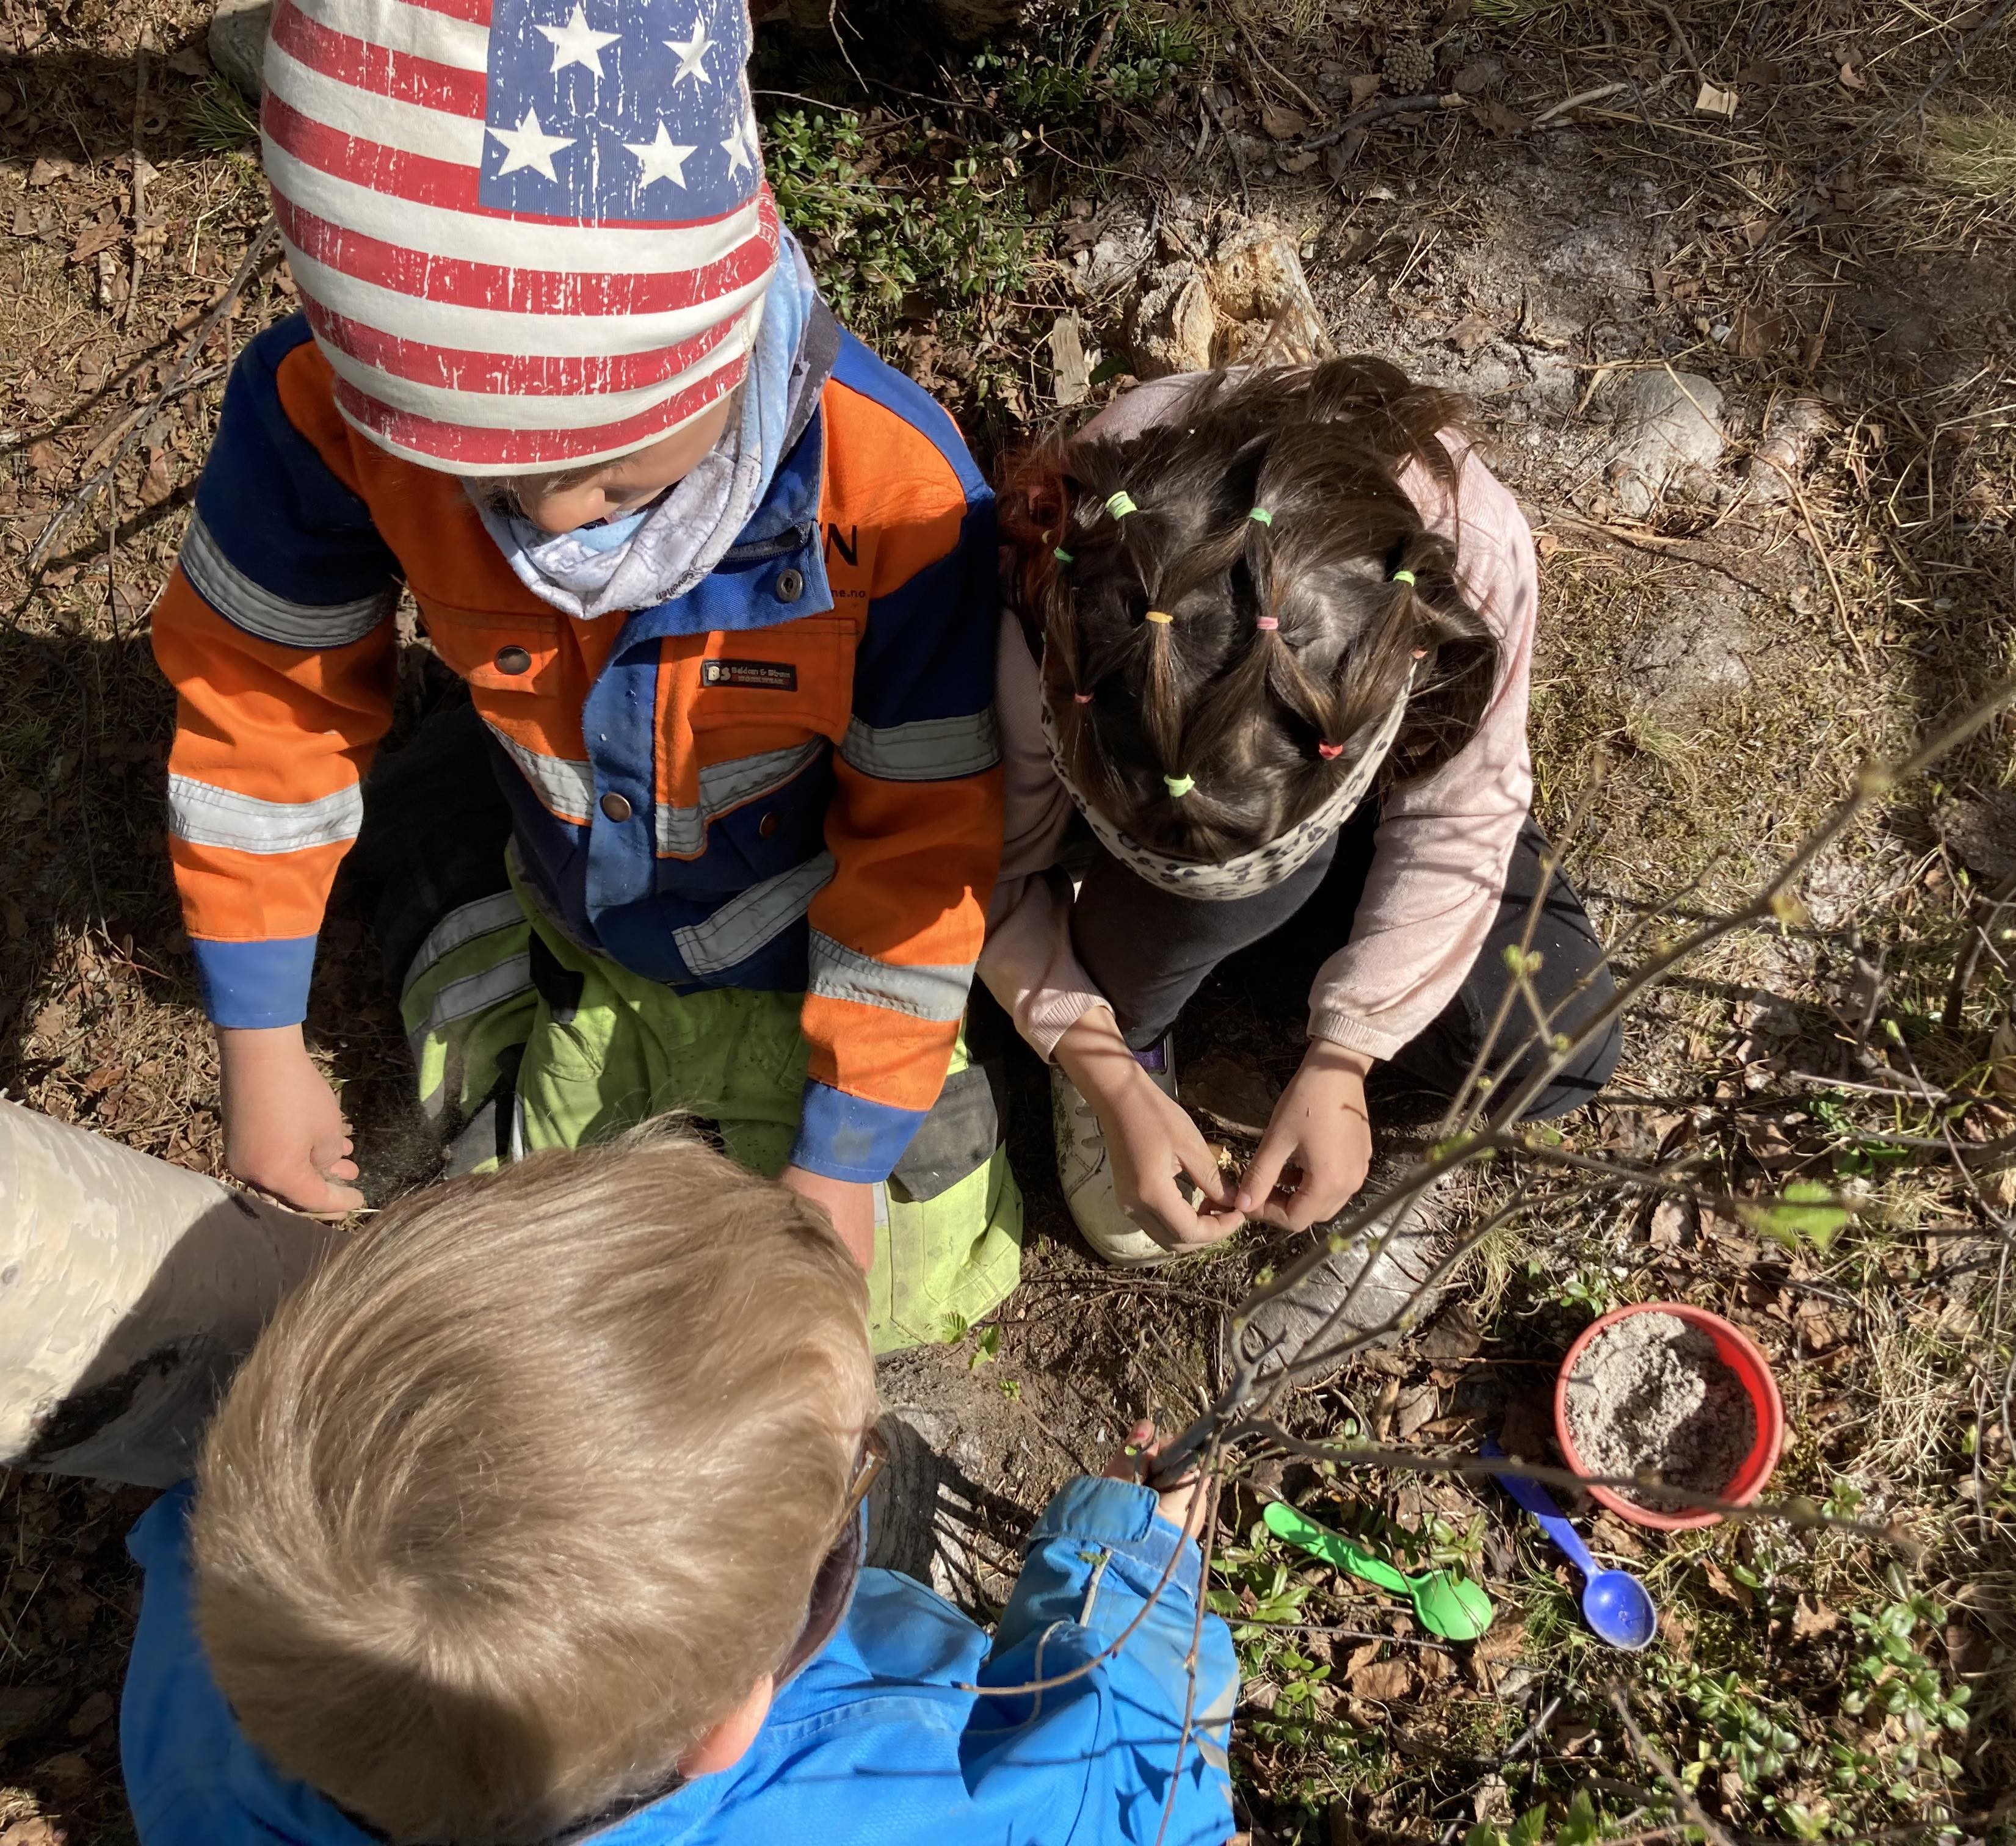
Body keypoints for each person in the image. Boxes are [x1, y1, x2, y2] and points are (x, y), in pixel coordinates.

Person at [149, 0, 1015, 1341]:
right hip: (579, 920)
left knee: (886, 1294)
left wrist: (842, 1158)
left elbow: (921, 844)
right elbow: (263, 706)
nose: (553, 519)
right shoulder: (327, 416)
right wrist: (257, 1042)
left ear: (728, 338)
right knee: (521, 1286)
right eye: (489, 473)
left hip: (810, 949)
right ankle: (473, 896)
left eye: (614, 466)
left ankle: (451, 865)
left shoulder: (894, 499)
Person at [118, 1133, 1236, 1845]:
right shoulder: (907, 1792)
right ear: (728, 1725)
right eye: (850, 1485)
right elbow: (1130, 1791)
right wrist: (1130, 1567)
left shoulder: (221, 1653)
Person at [981, 358, 1620, 1354]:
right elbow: (984, 864)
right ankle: (1166, 953)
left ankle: (1262, 903)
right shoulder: (1071, 568)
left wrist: (1347, 1050)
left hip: (1369, 781)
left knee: (1557, 1041)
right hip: (1200, 777)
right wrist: (1104, 1066)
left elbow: (1458, 814)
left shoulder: (1470, 552)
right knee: (1227, 900)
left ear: (1413, 670)